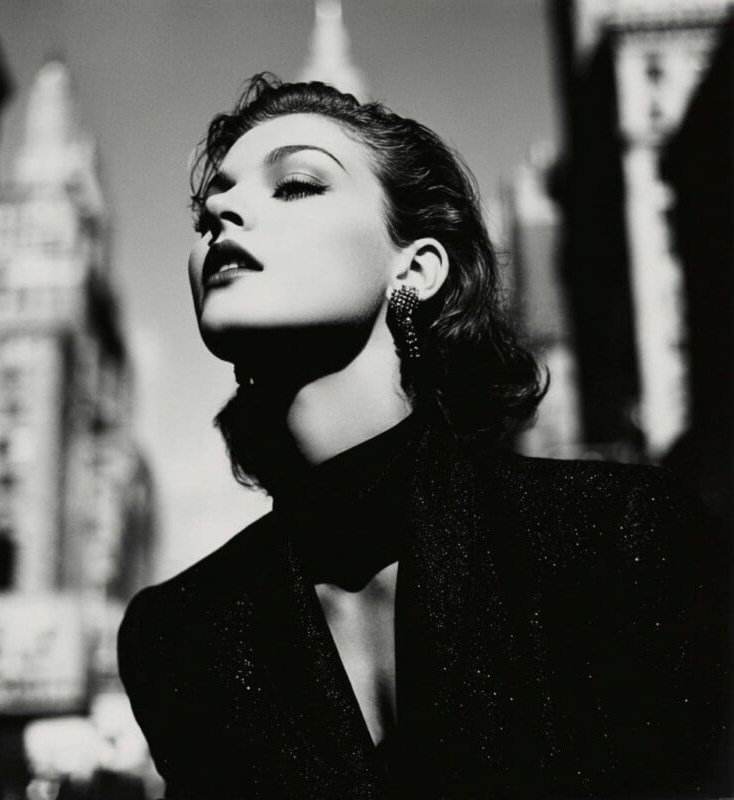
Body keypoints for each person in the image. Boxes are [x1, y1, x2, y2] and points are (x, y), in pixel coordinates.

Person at [118, 75, 729, 800]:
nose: (221, 211)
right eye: (206, 211)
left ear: (416, 266)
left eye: (297, 185)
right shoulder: (176, 638)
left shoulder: (616, 537)